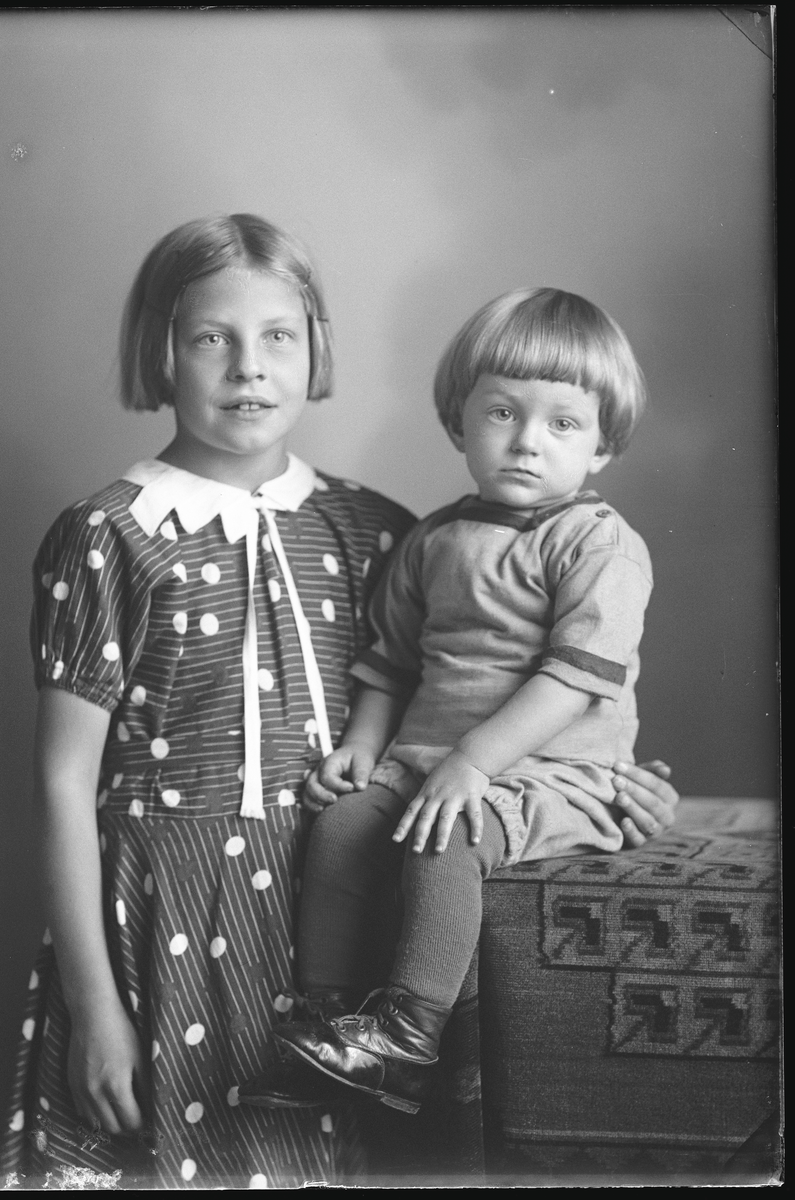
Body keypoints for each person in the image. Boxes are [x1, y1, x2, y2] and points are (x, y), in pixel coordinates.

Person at [1, 224, 676, 1188]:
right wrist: (96, 1007)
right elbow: (63, 786)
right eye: (211, 338)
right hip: (161, 933)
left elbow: (499, 695)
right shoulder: (108, 535)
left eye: (279, 336)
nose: (248, 366)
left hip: (355, 928)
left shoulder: (378, 528)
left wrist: (611, 789)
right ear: (162, 350)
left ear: (315, 348)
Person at [251, 287, 672, 1119]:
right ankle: (327, 1026)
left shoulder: (597, 542)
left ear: (601, 446)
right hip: (429, 762)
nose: (527, 441)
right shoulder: (433, 539)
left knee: (451, 835)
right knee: (339, 827)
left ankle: (407, 1037)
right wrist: (363, 747)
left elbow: (572, 678)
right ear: (458, 423)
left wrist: (474, 764)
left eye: (563, 423)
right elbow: (392, 664)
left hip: (550, 773)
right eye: (503, 413)